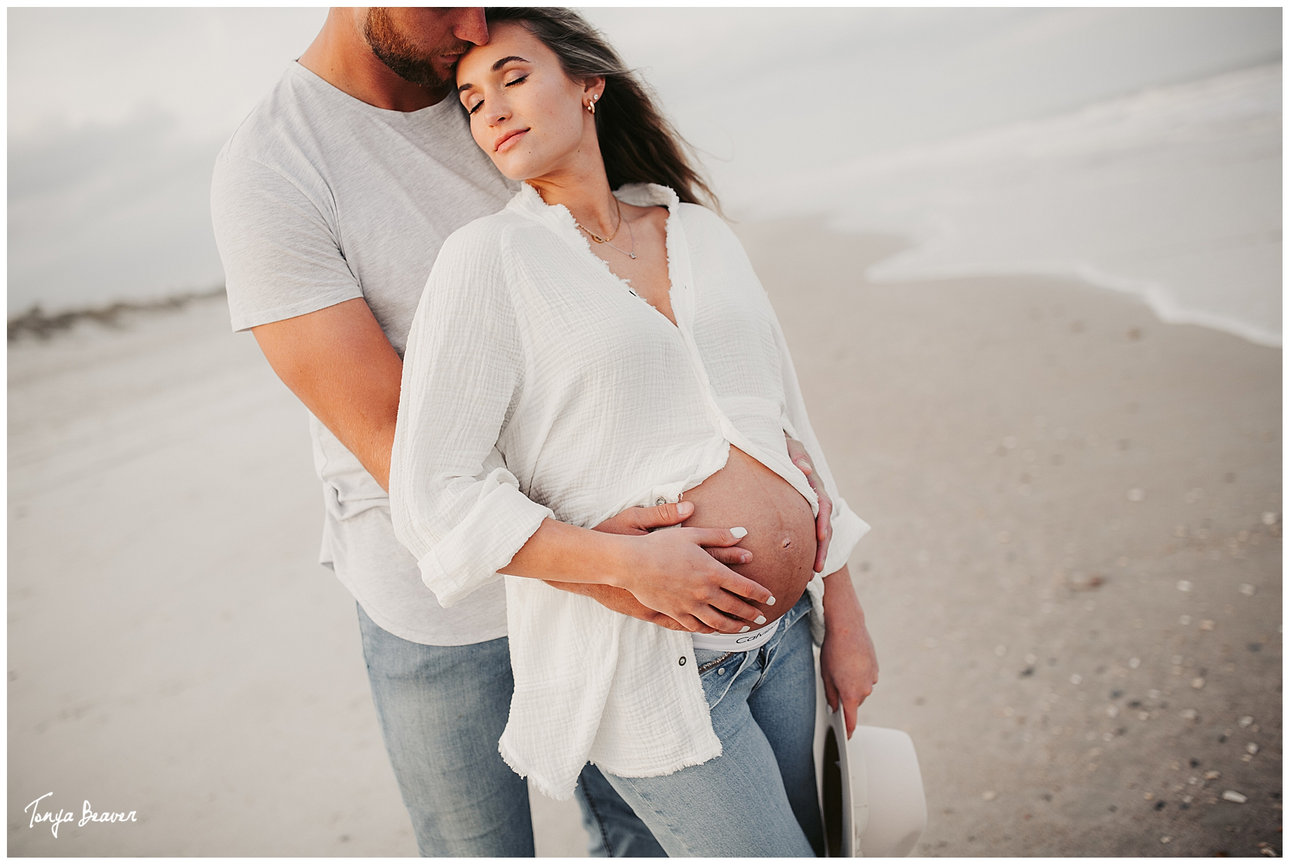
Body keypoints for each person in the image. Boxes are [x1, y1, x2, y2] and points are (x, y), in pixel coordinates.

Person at [209, 6, 869, 857]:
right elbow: (402, 453)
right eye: (477, 94)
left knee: (653, 843)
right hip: (460, 606)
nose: (476, 28)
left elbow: (752, 406)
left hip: (720, 618)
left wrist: (832, 597)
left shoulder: (502, 72)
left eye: (508, 77)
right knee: (477, 846)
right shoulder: (279, 169)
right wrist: (618, 574)